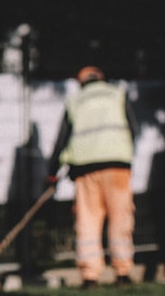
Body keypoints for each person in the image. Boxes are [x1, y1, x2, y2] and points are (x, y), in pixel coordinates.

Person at [46, 65, 138, 288]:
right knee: (120, 218)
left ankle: (90, 275)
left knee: (88, 220)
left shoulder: (75, 101)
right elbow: (134, 129)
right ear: (101, 77)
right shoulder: (118, 94)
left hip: (85, 169)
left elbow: (62, 138)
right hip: (117, 166)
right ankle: (123, 271)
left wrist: (52, 171)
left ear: (81, 81)